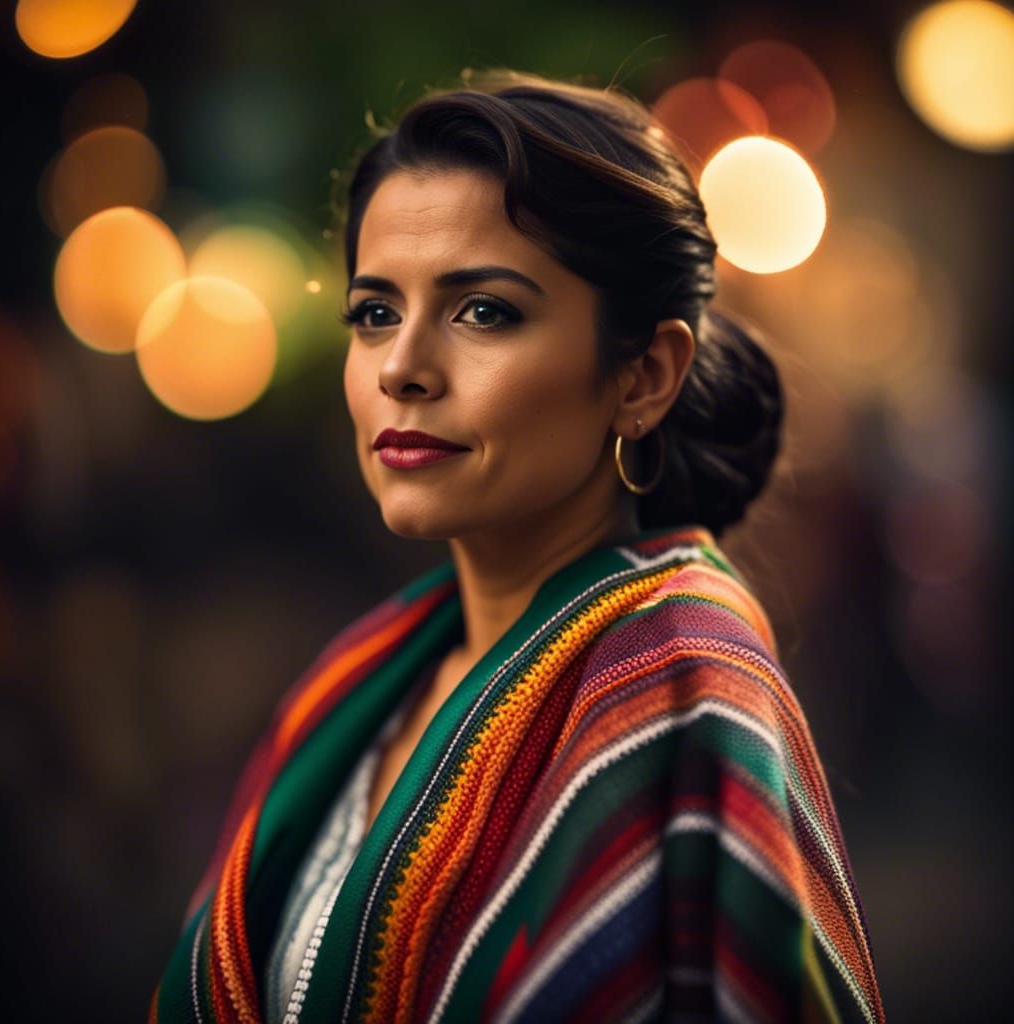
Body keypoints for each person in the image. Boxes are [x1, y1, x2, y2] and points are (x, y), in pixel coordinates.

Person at [150, 69, 885, 1024]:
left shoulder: (688, 694)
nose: (403, 368)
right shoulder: (356, 685)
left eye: (483, 311)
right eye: (374, 313)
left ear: (644, 376)